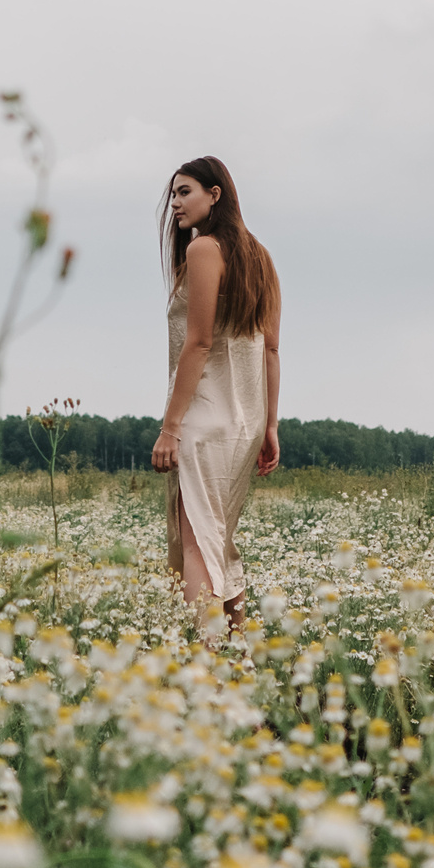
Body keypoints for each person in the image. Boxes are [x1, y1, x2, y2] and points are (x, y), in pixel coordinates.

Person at [151, 155, 281, 637]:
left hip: (204, 421)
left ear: (215, 194)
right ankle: (239, 666)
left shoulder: (204, 250)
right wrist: (269, 426)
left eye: (185, 192)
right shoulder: (261, 257)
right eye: (173, 194)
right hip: (245, 423)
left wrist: (170, 427)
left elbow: (199, 342)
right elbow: (270, 349)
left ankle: (201, 673)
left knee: (195, 547)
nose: (176, 203)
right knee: (218, 543)